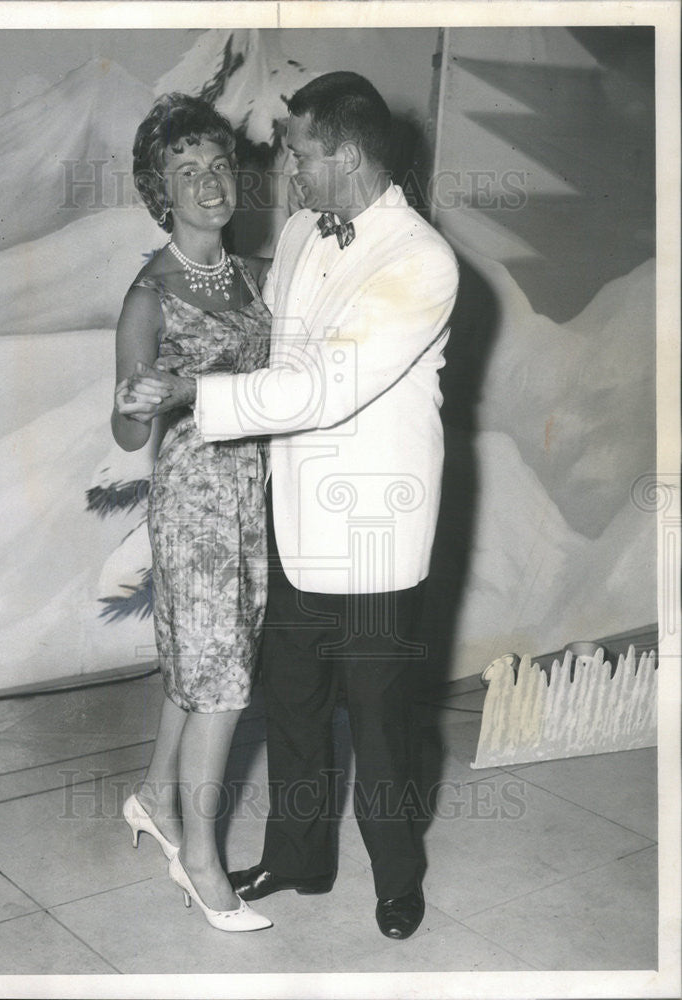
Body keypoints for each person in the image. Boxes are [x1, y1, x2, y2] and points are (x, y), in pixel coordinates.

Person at [130, 72, 459, 940]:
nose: (288, 171)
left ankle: (397, 876)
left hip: (375, 528)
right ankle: (301, 856)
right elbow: (267, 331)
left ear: (345, 155)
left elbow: (322, 385)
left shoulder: (422, 258)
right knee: (295, 702)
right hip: (294, 515)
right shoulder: (310, 228)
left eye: (301, 153)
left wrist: (190, 392)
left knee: (383, 720)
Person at [112, 93, 273, 933]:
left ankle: (150, 795)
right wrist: (137, 402)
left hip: (253, 494)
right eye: (187, 172)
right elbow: (127, 427)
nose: (209, 184)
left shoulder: (251, 275)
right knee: (222, 680)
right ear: (161, 191)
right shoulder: (151, 294)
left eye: (217, 166)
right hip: (196, 502)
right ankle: (202, 859)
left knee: (207, 659)